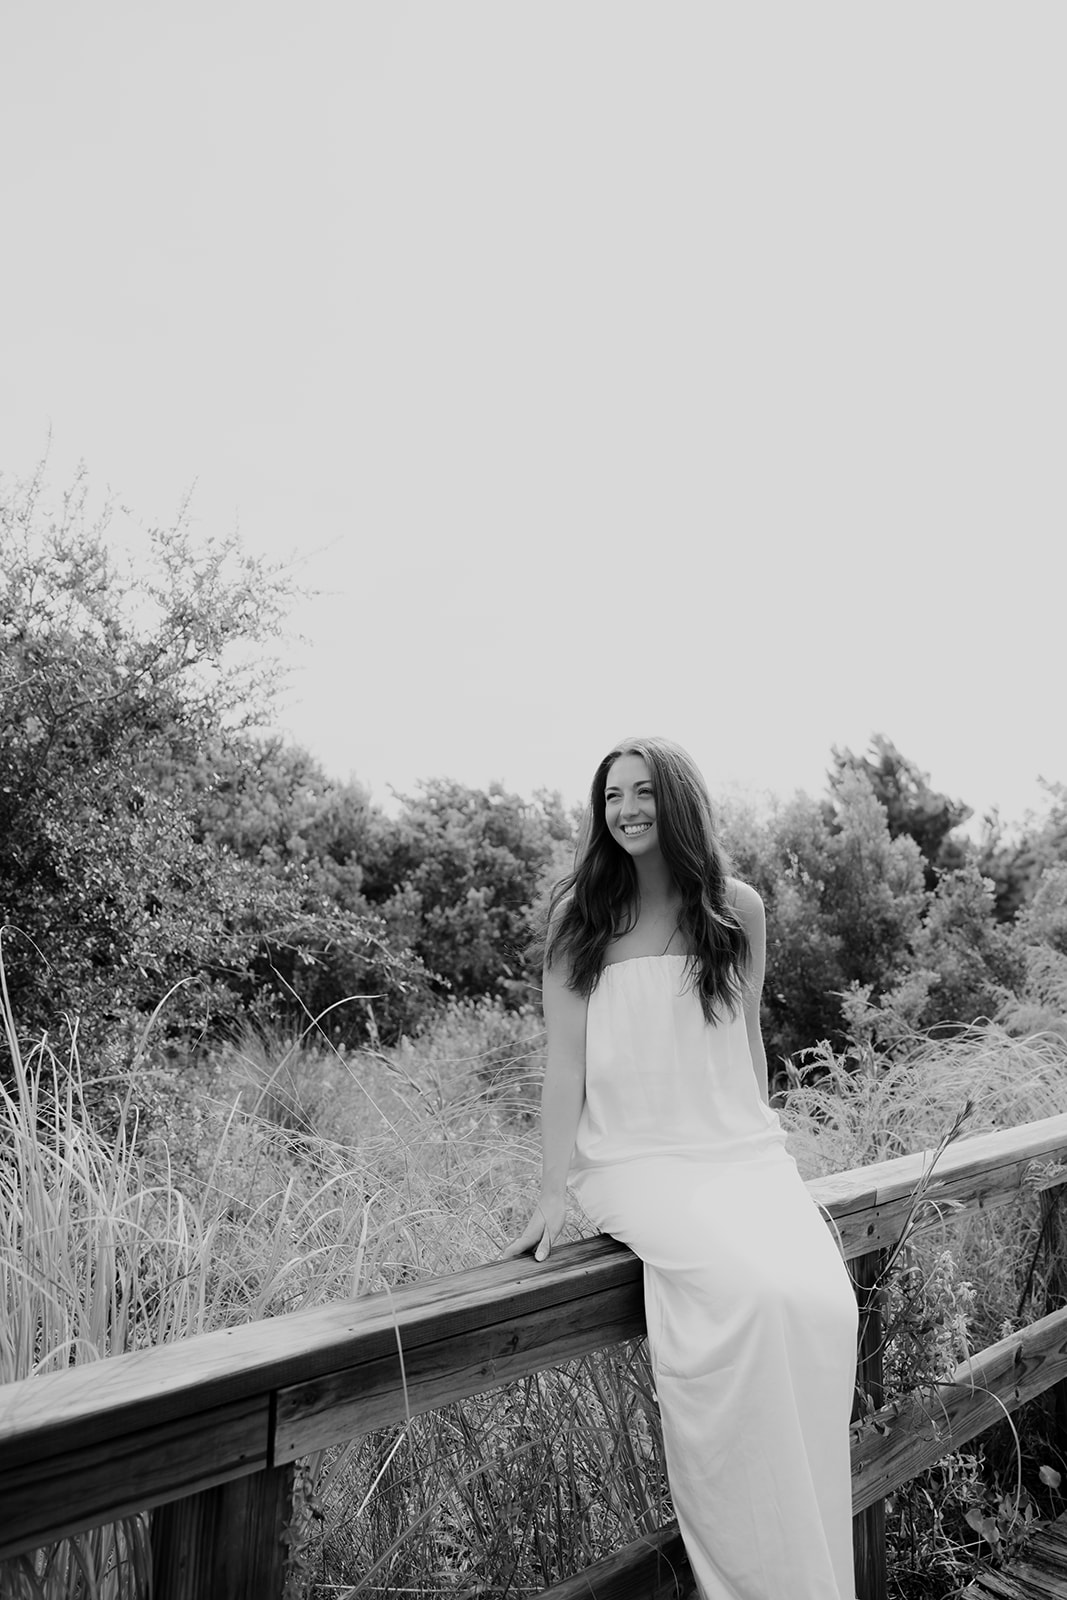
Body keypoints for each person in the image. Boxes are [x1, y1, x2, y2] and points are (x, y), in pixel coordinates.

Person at [504, 736, 858, 1600]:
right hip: (634, 1160)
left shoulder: (736, 907)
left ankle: (809, 1563)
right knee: (751, 1297)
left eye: (642, 794)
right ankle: (748, 1575)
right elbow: (565, 1068)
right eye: (611, 796)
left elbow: (745, 1042)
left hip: (738, 1152)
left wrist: (765, 1149)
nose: (624, 810)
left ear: (679, 803)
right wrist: (553, 1188)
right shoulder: (580, 915)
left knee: (823, 1304)